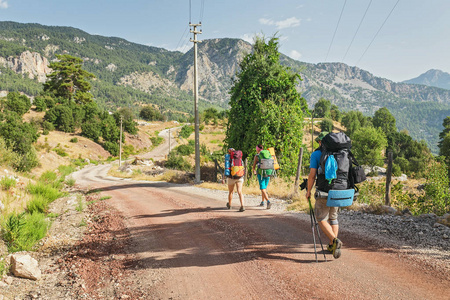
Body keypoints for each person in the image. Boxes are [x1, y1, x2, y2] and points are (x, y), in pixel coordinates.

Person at [305, 131, 343, 259]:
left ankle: (335, 240)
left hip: (324, 190)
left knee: (321, 218)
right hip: (339, 190)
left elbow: (312, 175)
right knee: (333, 218)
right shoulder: (340, 153)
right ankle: (332, 245)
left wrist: (308, 190)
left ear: (321, 142)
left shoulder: (316, 154)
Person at [252, 144, 272, 209]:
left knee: (262, 188)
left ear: (257, 149)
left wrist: (254, 170)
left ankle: (268, 201)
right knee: (264, 188)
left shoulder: (257, 156)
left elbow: (254, 165)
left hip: (261, 173)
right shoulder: (268, 154)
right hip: (268, 172)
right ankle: (262, 202)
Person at [226, 148, 245, 212]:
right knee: (240, 192)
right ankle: (242, 205)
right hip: (240, 176)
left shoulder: (228, 159)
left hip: (231, 177)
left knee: (231, 192)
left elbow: (227, 169)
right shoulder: (239, 158)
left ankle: (230, 205)